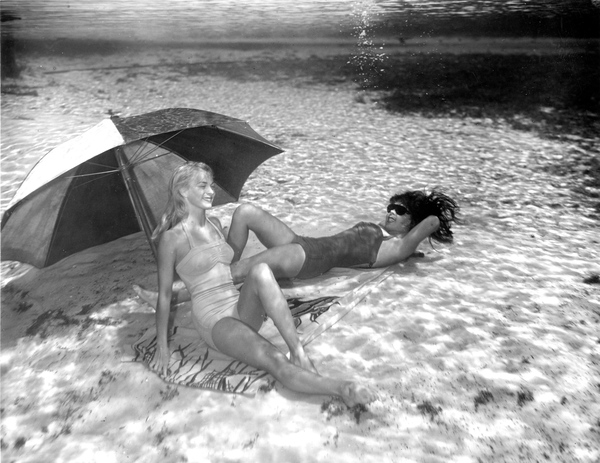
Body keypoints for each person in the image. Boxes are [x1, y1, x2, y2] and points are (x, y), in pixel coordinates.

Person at [148, 161, 377, 406]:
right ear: (183, 191)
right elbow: (164, 296)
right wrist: (163, 346)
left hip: (238, 305)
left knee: (261, 271)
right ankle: (343, 388)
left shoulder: (214, 223)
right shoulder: (171, 239)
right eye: (202, 185)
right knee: (273, 359)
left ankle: (298, 351)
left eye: (211, 185)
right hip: (214, 320)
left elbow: (223, 265)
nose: (211, 191)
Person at [135, 187, 459, 305]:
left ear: (412, 222)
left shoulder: (399, 247)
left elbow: (431, 223)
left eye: (400, 211)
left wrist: (426, 211)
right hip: (304, 244)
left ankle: (169, 296)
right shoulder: (388, 237)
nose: (391, 211)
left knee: (237, 273)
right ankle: (221, 255)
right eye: (392, 206)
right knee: (245, 212)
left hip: (309, 260)